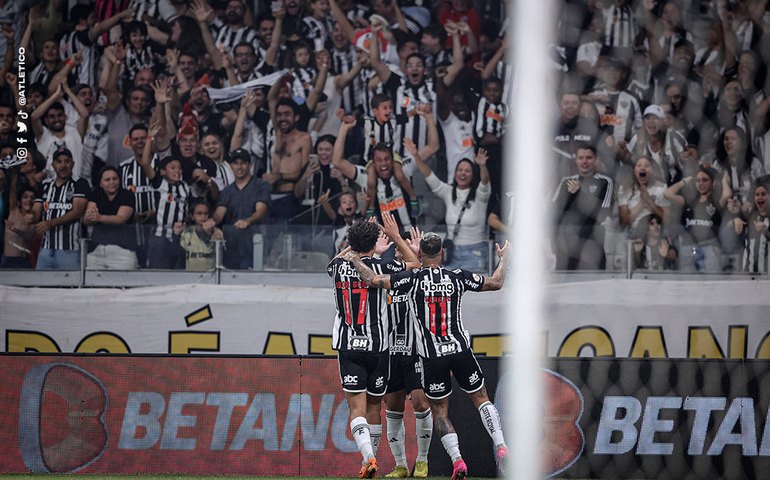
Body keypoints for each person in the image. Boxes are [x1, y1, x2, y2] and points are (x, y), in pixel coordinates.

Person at [342, 232, 510, 479]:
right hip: (460, 349)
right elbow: (496, 283)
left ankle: (459, 460)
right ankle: (500, 445)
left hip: (432, 357)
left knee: (440, 412)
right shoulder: (457, 277)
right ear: (442, 253)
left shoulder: (413, 279)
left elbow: (373, 280)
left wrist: (355, 259)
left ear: (421, 254)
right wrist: (505, 259)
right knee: (482, 398)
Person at [326, 215, 418, 479]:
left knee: (356, 408)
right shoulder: (382, 268)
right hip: (378, 347)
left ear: (350, 242)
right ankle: (372, 458)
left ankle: (369, 458)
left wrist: (355, 244)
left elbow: (335, 260)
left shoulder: (337, 267)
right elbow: (414, 263)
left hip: (348, 345)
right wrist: (395, 236)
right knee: (374, 407)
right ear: (374, 243)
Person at [410, 138, 491, 272]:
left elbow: (485, 182)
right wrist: (416, 155)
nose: (463, 173)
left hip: (475, 253)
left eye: (467, 171)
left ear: (473, 175)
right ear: (454, 174)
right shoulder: (448, 192)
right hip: (451, 254)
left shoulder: (480, 196)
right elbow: (430, 177)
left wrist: (482, 165)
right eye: (460, 170)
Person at [207, 149, 271, 269]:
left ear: (249, 165)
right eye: (236, 163)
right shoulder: (227, 191)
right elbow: (220, 213)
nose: (239, 167)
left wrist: (247, 221)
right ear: (231, 166)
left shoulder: (261, 185)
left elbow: (261, 210)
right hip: (232, 247)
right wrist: (212, 221)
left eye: (243, 163)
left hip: (254, 244)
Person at [552, 144, 614, 270]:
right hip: (566, 246)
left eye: (588, 158)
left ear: (596, 159)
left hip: (592, 244)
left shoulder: (605, 182)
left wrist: (581, 192)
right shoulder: (566, 181)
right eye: (581, 158)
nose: (584, 161)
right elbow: (555, 211)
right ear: (575, 160)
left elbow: (601, 214)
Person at [664, 165, 732, 272]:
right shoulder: (690, 200)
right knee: (688, 284)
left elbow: (727, 194)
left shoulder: (716, 200)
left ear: (712, 182)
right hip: (689, 247)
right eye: (698, 180)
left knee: (711, 283)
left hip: (710, 246)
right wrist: (686, 181)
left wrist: (723, 180)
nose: (701, 183)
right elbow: (668, 194)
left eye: (705, 180)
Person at [33, 147, 89, 270]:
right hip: (46, 249)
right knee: (40, 287)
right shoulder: (45, 185)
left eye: (67, 161)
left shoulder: (80, 183)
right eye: (59, 161)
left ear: (73, 164)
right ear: (53, 165)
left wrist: (51, 223)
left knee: (69, 288)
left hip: (70, 249)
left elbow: (77, 212)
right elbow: (36, 213)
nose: (63, 165)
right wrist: (27, 217)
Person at [83, 166, 138, 270]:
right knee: (93, 284)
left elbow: (121, 218)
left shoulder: (127, 195)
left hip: (122, 251)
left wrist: (99, 218)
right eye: (107, 180)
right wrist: (91, 217)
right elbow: (87, 219)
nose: (112, 182)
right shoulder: (95, 194)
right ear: (100, 183)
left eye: (115, 179)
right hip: (96, 251)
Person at [617, 156, 670, 240]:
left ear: (653, 170)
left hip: (657, 231)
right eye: (639, 165)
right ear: (634, 170)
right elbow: (623, 222)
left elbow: (667, 218)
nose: (642, 168)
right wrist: (642, 203)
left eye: (647, 166)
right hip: (633, 232)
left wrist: (650, 201)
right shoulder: (624, 188)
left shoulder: (661, 187)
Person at [176, 198, 224, 271]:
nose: (203, 216)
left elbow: (220, 251)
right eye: (199, 213)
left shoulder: (217, 232)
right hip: (190, 274)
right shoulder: (187, 232)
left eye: (206, 213)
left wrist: (210, 233)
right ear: (192, 216)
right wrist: (176, 233)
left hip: (210, 274)